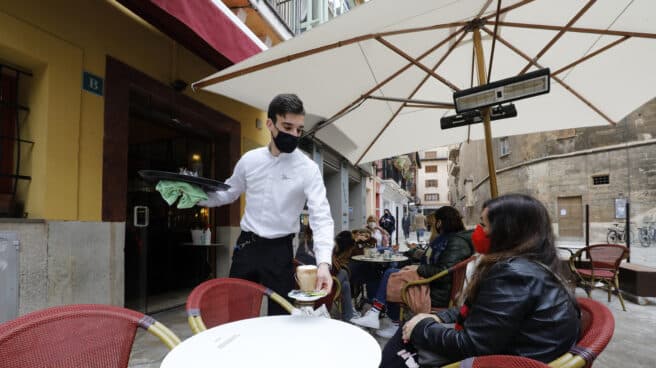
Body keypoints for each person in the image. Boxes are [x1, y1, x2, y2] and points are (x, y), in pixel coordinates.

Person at [380, 194, 581, 367]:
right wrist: (440, 317)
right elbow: (487, 312)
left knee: (405, 336)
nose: (476, 230)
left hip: (500, 361)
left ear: (506, 232)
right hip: (507, 352)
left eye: (483, 224)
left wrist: (420, 327)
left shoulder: (514, 275)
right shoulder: (532, 266)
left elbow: (471, 345)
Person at [197, 94, 334, 315]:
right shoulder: (249, 160)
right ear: (270, 124)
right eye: (287, 127)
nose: (293, 134)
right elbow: (228, 193)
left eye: (298, 130)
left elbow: (321, 217)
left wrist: (324, 264)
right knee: (237, 314)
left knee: (280, 317)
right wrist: (194, 197)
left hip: (280, 251)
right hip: (246, 247)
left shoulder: (308, 169)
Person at [351, 206, 473, 339]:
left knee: (392, 276)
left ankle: (382, 316)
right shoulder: (451, 239)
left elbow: (443, 271)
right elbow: (435, 261)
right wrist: (414, 256)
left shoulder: (455, 242)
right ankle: (382, 316)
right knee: (392, 274)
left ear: (440, 222)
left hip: (437, 291)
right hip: (436, 285)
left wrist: (418, 269)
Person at [331, 231, 361, 322]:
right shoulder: (328, 252)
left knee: (345, 285)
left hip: (327, 280)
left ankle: (349, 316)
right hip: (324, 286)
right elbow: (333, 270)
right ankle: (349, 313)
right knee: (344, 272)